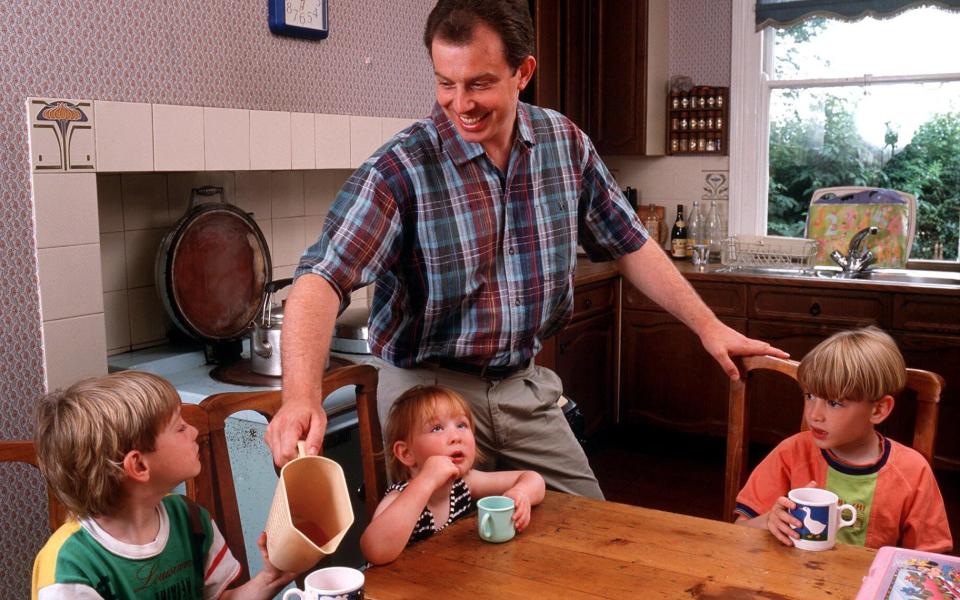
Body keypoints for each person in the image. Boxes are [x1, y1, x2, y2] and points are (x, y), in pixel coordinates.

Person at [265, 0, 787, 497]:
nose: (460, 103)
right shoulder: (400, 167)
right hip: (427, 394)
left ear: (523, 72)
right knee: (441, 554)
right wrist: (300, 398)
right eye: (446, 83)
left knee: (590, 539)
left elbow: (631, 244)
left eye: (480, 83)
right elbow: (320, 279)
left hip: (522, 385)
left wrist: (708, 325)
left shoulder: (564, 143)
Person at [31, 371, 297, 599]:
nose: (193, 431)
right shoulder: (69, 566)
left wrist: (270, 578)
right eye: (180, 428)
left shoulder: (190, 519)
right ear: (139, 466)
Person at [735, 326, 952, 552]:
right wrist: (769, 522)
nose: (814, 414)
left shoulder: (913, 471)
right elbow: (738, 530)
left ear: (878, 410)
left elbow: (930, 562)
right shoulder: (790, 453)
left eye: (834, 402)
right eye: (810, 396)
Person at [360, 385, 545, 564]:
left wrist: (521, 494)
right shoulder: (399, 498)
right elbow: (374, 551)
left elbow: (533, 479)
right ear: (406, 453)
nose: (456, 436)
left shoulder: (464, 483)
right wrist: (427, 480)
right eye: (437, 428)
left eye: (462, 425)